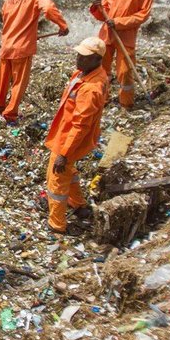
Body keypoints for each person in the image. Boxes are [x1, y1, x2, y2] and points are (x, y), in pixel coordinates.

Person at [44, 37, 110, 234]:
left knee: (56, 180)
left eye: (84, 57)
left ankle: (57, 223)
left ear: (97, 59)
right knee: (68, 172)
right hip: (67, 135)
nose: (79, 59)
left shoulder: (91, 88)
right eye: (79, 55)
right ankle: (78, 203)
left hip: (69, 140)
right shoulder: (87, 75)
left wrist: (64, 153)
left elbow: (80, 125)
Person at [0, 0, 69, 124]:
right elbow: (48, 9)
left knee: (3, 80)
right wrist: (62, 25)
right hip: (22, 47)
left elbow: (7, 19)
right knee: (19, 82)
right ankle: (10, 113)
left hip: (6, 44)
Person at [89, 0, 154, 110]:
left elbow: (143, 15)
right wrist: (97, 6)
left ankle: (126, 104)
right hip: (106, 35)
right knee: (101, 70)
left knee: (125, 72)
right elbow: (102, 13)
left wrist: (118, 22)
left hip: (126, 37)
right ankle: (101, 100)